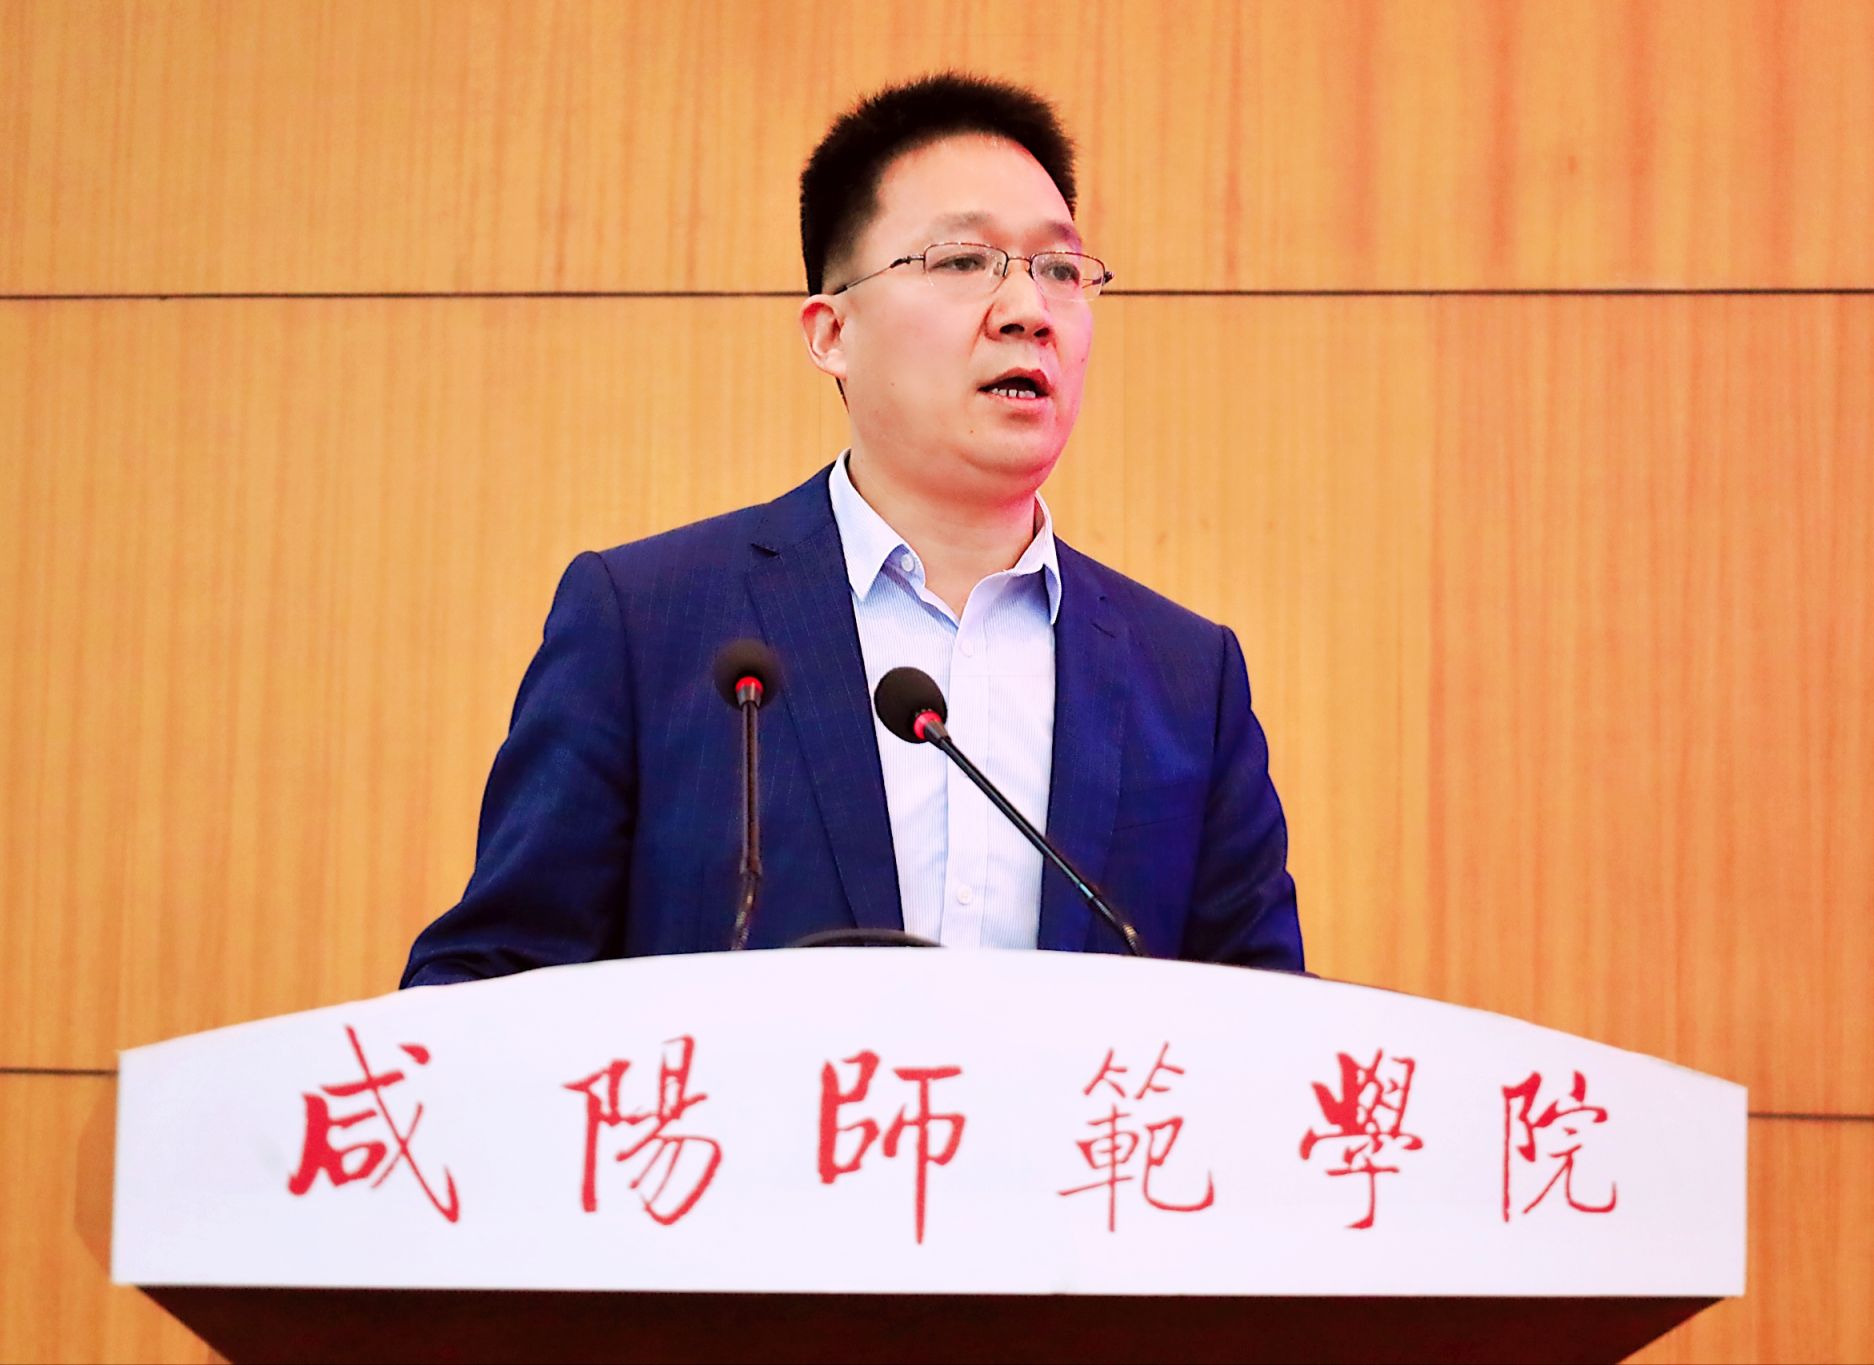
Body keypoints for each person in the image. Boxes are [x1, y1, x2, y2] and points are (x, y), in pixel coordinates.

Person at [401, 73, 1302, 986]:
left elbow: (1272, 1026)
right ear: (832, 332)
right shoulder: (646, 624)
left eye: (1061, 270)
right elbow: (486, 984)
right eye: (963, 261)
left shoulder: (1188, 679)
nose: (1029, 311)